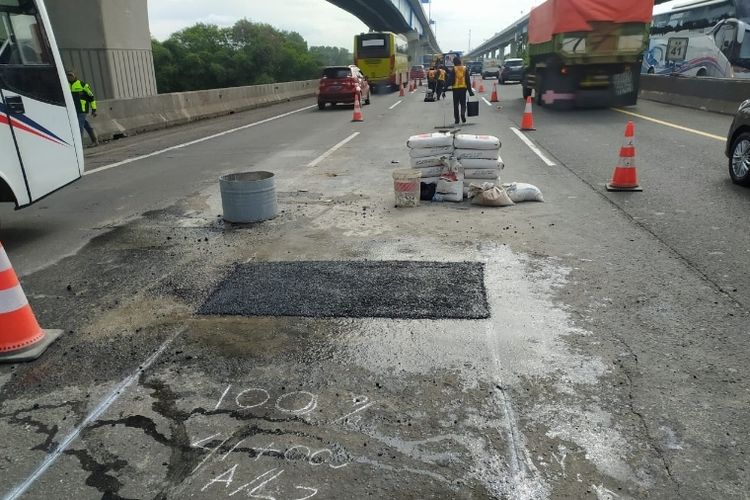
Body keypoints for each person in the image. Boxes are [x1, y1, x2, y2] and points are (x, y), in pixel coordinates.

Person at [66, 71, 99, 146]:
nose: (69, 77)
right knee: (85, 124)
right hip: (73, 110)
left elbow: (91, 97)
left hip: (82, 109)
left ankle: (78, 145)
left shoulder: (82, 85)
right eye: (68, 76)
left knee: (79, 126)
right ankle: (95, 140)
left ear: (75, 76)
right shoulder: (66, 85)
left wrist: (94, 109)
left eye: (71, 75)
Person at [451, 57, 474, 125]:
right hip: (463, 89)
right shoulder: (465, 68)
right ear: (460, 62)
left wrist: (444, 89)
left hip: (455, 90)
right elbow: (468, 80)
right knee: (463, 104)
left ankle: (457, 120)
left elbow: (450, 79)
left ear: (454, 63)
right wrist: (470, 91)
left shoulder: (454, 69)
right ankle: (462, 114)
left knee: (456, 105)